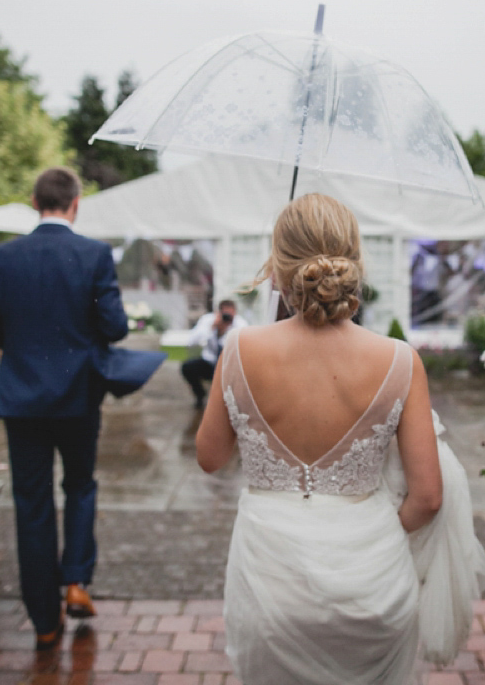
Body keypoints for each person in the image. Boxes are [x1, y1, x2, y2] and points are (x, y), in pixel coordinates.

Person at [194, 194, 445, 684]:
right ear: (353, 262)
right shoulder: (399, 360)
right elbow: (429, 498)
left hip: (271, 582)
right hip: (373, 581)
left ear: (278, 269)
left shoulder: (241, 349)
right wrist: (373, 536)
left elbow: (210, 458)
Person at [0, 166, 128, 650]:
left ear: (34, 203)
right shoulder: (94, 255)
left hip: (21, 401)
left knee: (31, 504)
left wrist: (19, 341)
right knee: (80, 486)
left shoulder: (2, 258)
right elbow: (116, 326)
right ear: (74, 204)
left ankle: (43, 619)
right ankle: (77, 580)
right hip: (79, 397)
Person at [181, 299, 248, 409]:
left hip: (229, 366)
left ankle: (233, 403)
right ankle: (200, 394)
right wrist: (212, 328)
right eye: (225, 314)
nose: (228, 318)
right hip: (209, 362)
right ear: (219, 312)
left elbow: (243, 346)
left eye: (230, 314)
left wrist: (224, 332)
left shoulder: (241, 324)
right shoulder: (208, 320)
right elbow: (191, 341)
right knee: (187, 367)